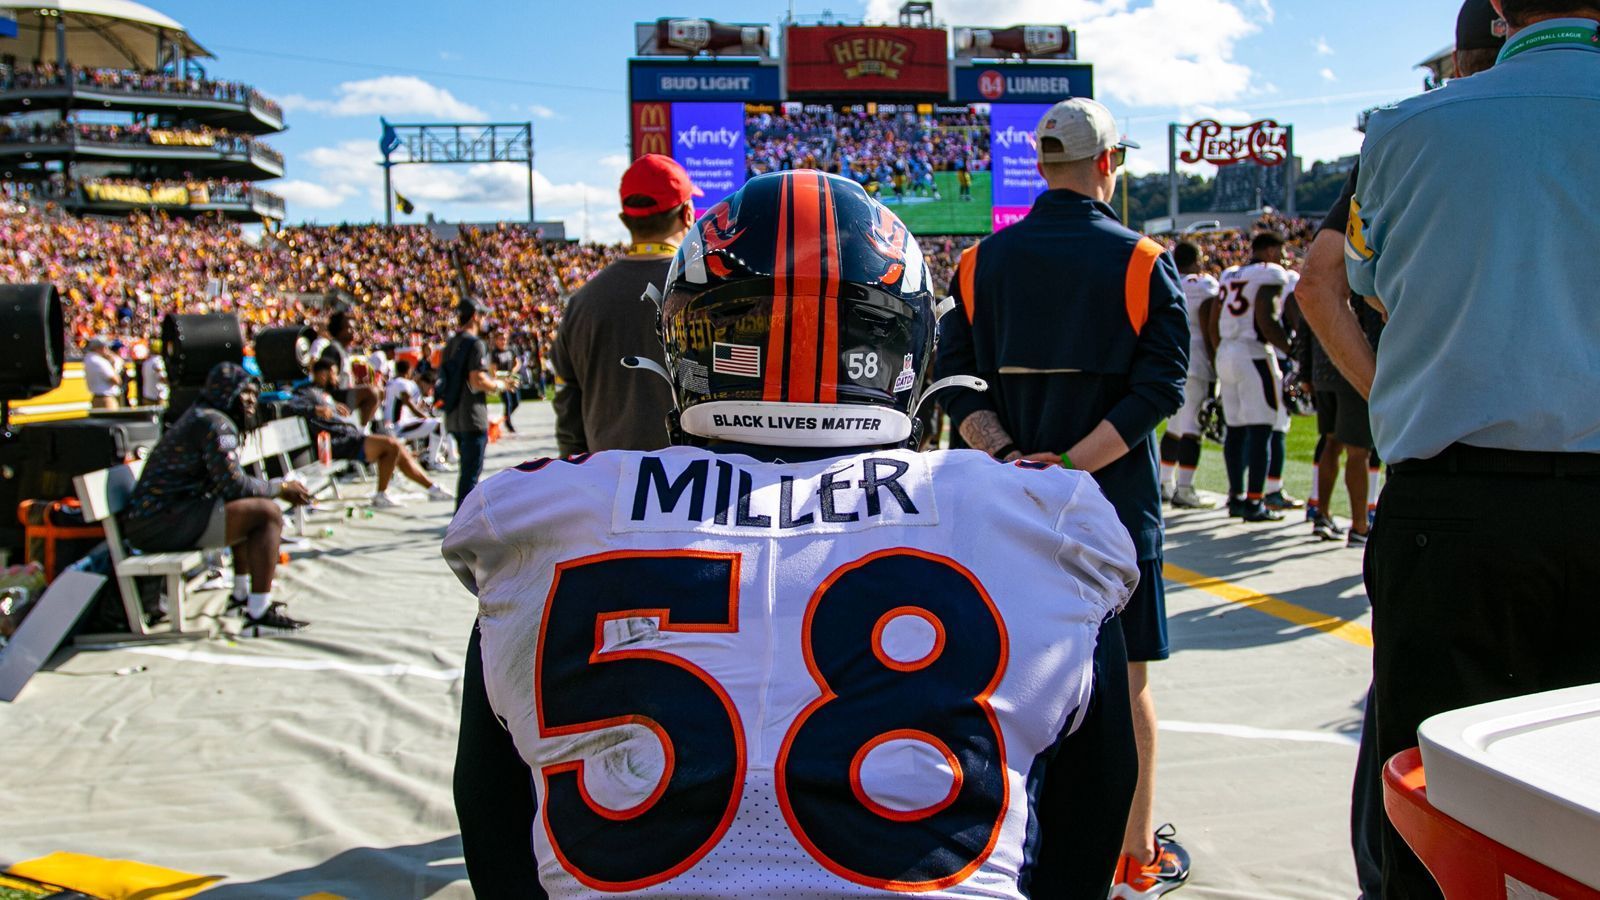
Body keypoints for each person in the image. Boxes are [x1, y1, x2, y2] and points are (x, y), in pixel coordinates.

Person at [446, 170, 1142, 899]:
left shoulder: (544, 519)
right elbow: (1085, 823)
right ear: (911, 343)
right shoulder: (1040, 519)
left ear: (679, 338)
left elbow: (496, 827)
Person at [1335, 3, 1599, 897]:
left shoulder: (1407, 127)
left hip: (1455, 509)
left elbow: (1364, 278)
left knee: (1439, 814)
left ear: (1497, 11)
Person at [933, 98, 1192, 899]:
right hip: (1113, 507)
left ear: (1042, 166)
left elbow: (956, 382)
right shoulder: (1143, 259)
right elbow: (1162, 385)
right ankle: (1134, 854)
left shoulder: (979, 263)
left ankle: (1010, 850)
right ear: (1108, 164)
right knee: (1130, 686)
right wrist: (1074, 463)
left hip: (1003, 504)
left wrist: (1015, 458)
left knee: (1000, 680)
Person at [121, 362, 314, 636]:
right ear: (226, 393)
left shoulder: (204, 416)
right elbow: (234, 485)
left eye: (253, 393)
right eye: (243, 392)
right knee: (266, 513)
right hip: (160, 522)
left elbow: (229, 488)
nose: (251, 400)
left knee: (246, 511)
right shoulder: (214, 422)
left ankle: (241, 596)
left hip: (162, 517)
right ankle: (258, 615)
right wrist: (280, 487)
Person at [549, 154, 695, 456]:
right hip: (697, 487)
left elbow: (568, 411)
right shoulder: (705, 293)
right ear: (688, 214)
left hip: (608, 488)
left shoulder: (582, 301)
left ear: (625, 219)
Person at [1210, 232, 1294, 522]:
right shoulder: (1269, 274)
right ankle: (1255, 501)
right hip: (1253, 353)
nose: (1283, 259)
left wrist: (1216, 354)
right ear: (1270, 251)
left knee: (1235, 428)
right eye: (1280, 253)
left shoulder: (1230, 274)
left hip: (1226, 351)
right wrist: (1293, 350)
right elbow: (1267, 319)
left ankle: (1235, 497)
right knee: (1261, 429)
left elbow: (1213, 318)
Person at [295, 359, 453, 509]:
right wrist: (315, 409)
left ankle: (432, 488)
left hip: (347, 436)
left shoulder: (325, 393)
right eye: (334, 374)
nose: (337, 378)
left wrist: (335, 408)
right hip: (336, 442)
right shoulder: (307, 392)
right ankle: (382, 494)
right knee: (391, 445)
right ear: (323, 375)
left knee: (397, 448)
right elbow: (291, 406)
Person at [1158, 241, 1219, 510]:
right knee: (1194, 428)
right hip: (1197, 359)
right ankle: (1185, 488)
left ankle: (1163, 482)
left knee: (1174, 427)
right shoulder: (1204, 285)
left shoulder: (1167, 279)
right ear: (1196, 260)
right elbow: (1211, 323)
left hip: (1172, 361)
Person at [441, 301, 506, 509]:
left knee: (465, 473)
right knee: (470, 476)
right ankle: (463, 524)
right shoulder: (476, 344)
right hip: (472, 416)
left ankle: (461, 520)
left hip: (454, 415)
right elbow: (477, 379)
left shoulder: (450, 343)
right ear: (475, 316)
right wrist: (498, 385)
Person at [317, 309, 381, 427]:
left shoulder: (344, 351)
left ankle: (365, 427)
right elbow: (323, 381)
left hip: (344, 393)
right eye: (349, 329)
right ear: (339, 330)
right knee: (372, 393)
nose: (353, 332)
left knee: (378, 390)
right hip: (334, 396)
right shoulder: (332, 350)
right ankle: (359, 432)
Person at [383, 358, 448, 469]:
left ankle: (428, 455)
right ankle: (432, 460)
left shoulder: (392, 383)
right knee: (438, 424)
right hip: (398, 426)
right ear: (408, 370)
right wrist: (425, 417)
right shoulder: (402, 383)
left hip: (392, 424)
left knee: (435, 423)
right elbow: (407, 402)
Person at [488, 330, 521, 433]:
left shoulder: (511, 350)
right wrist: (500, 378)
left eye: (505, 339)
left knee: (516, 402)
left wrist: (512, 371)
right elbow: (493, 369)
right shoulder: (495, 353)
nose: (503, 341)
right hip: (502, 380)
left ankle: (505, 417)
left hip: (511, 379)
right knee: (508, 402)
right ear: (496, 340)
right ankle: (509, 423)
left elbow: (518, 363)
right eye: (501, 339)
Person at [82, 337, 123, 409]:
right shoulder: (100, 361)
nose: (107, 350)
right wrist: (113, 365)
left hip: (95, 398)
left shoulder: (88, 359)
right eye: (105, 347)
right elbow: (116, 380)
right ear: (99, 348)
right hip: (106, 400)